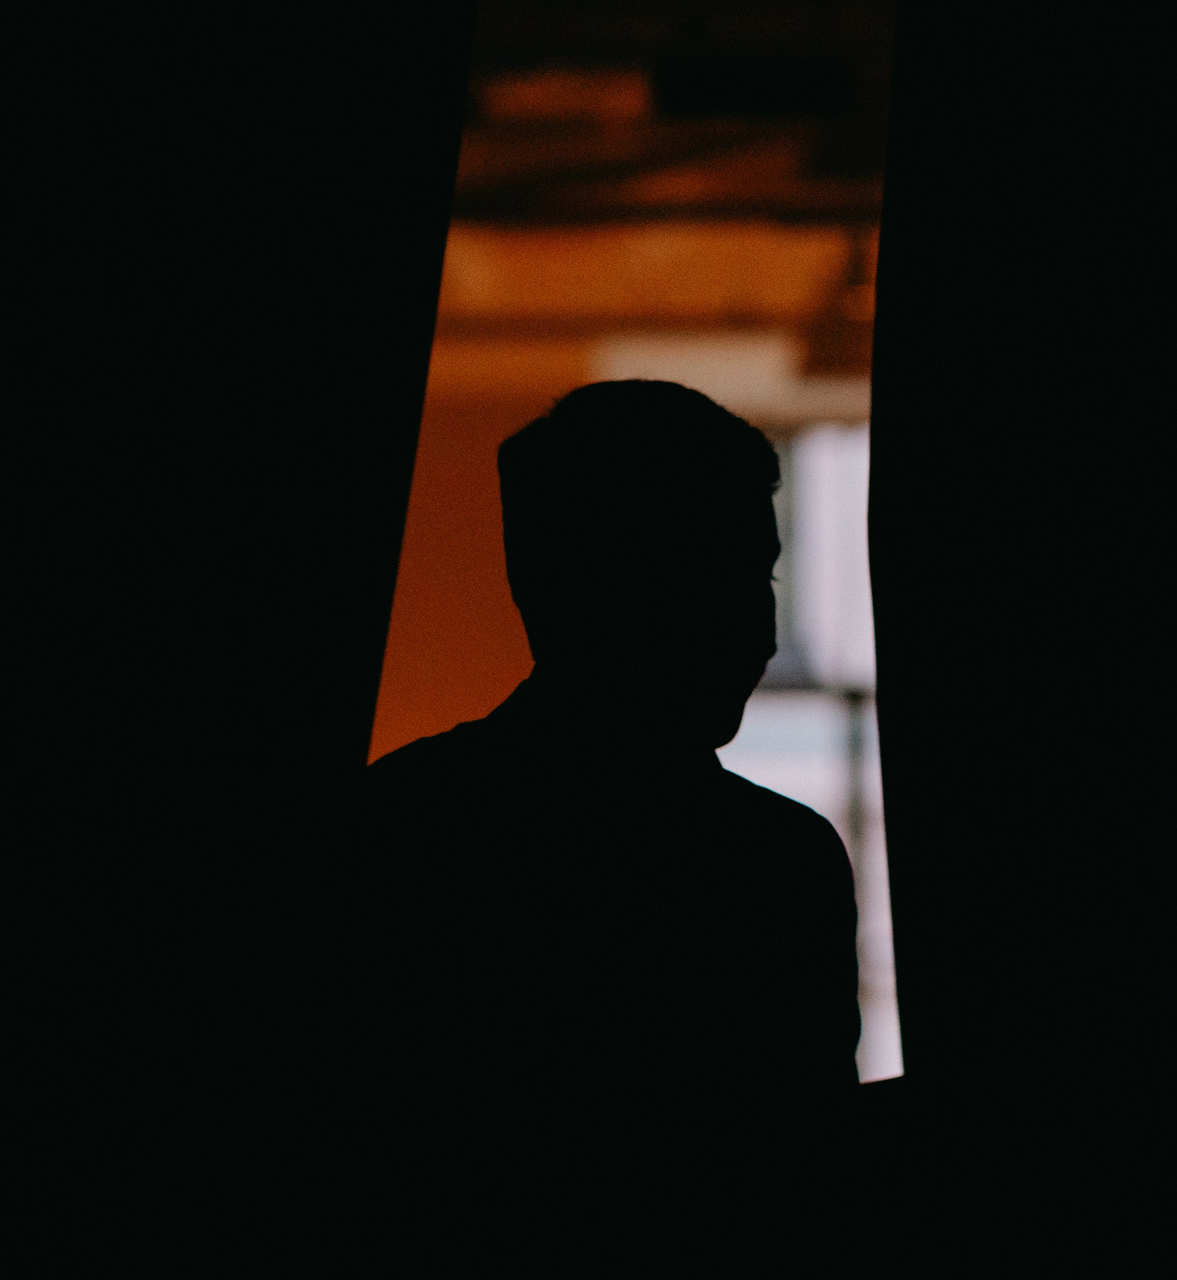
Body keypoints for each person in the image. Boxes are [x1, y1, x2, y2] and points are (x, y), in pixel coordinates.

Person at [344, 380, 859, 1259]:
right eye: (704, 578)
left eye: (761, 576)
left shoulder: (401, 826)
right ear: (578, 588)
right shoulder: (780, 862)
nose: (759, 631)